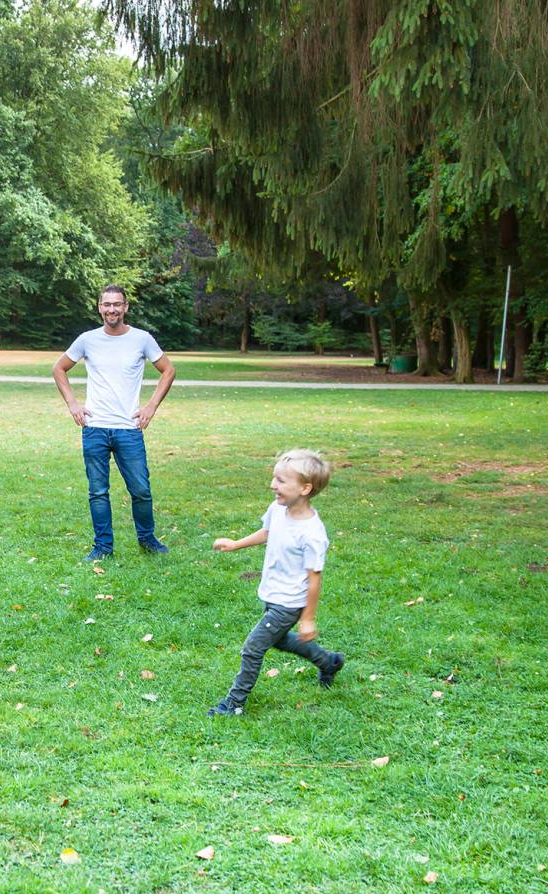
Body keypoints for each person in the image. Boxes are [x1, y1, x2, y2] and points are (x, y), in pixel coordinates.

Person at [206, 449, 346, 716]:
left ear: (305, 488)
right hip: (272, 594)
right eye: (274, 478)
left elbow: (314, 578)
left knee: (253, 648)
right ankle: (329, 662)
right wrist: (236, 544)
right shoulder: (278, 509)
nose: (273, 485)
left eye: (281, 481)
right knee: (279, 641)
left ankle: (234, 703)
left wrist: (308, 619)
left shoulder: (312, 533)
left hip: (289, 603)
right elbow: (268, 532)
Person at [51, 285, 176, 560]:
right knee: (98, 492)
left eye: (117, 304)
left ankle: (147, 539)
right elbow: (58, 368)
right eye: (106, 304)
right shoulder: (87, 339)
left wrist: (151, 406)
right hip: (94, 427)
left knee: (141, 490)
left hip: (129, 429)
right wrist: (73, 404)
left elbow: (168, 370)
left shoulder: (142, 339)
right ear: (99, 308)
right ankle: (103, 547)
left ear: (126, 307)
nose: (112, 309)